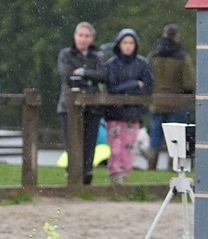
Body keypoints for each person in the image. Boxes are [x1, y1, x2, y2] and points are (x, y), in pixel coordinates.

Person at [57, 22, 107, 184]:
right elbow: (68, 77)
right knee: (72, 142)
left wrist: (84, 73)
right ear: (75, 36)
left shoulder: (97, 56)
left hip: (92, 106)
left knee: (89, 143)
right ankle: (72, 175)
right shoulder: (66, 54)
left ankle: (86, 175)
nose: (83, 39)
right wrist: (89, 79)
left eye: (86, 36)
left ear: (92, 38)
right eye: (80, 35)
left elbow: (103, 75)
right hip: (69, 106)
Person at [104, 28, 154, 185]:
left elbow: (148, 88)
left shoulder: (142, 64)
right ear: (119, 44)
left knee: (129, 148)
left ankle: (124, 177)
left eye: (131, 43)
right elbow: (112, 89)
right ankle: (114, 174)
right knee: (116, 148)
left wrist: (131, 90)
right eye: (124, 42)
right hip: (114, 113)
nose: (127, 46)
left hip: (134, 113)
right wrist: (133, 84)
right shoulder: (111, 65)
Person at [146, 24, 195, 170]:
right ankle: (171, 168)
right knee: (175, 140)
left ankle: (151, 168)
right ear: (177, 37)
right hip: (176, 103)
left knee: (155, 138)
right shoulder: (182, 57)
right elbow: (189, 83)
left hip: (157, 102)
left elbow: (147, 78)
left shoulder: (153, 56)